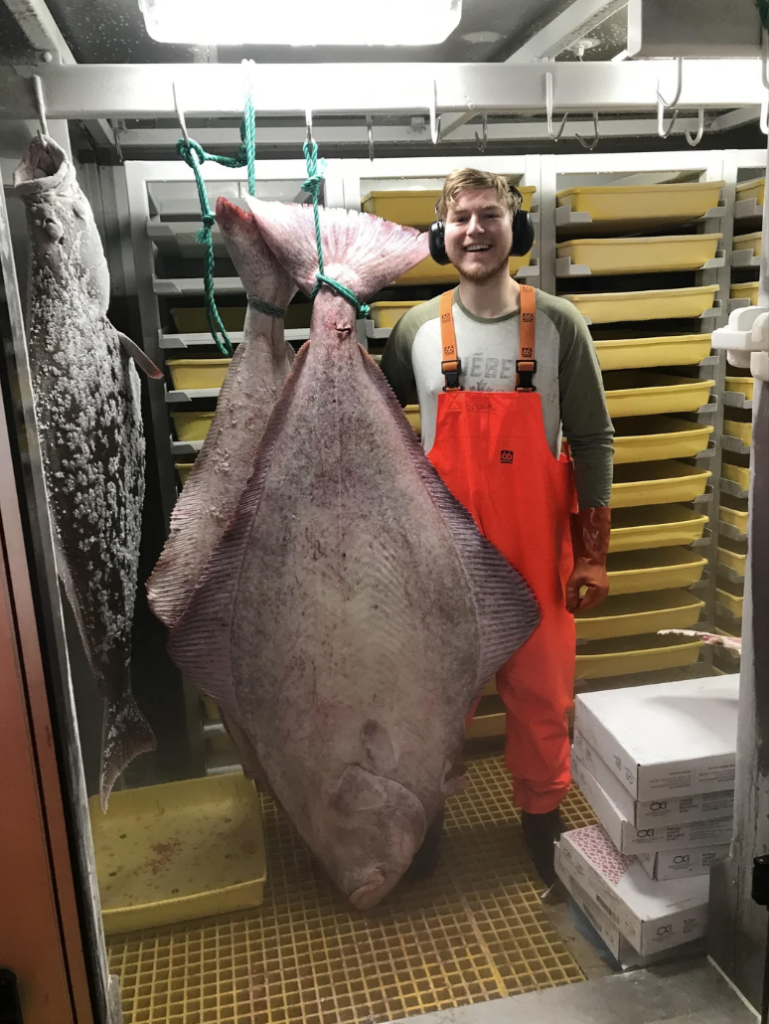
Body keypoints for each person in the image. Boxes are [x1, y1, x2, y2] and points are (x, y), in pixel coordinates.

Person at [381, 168, 614, 887]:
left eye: (489, 216)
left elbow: (593, 438)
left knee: (543, 700)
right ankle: (422, 826)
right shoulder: (416, 329)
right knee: (428, 703)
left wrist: (592, 556)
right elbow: (375, 436)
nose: (474, 230)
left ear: (518, 231)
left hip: (534, 557)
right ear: (439, 235)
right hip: (436, 558)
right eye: (459, 219)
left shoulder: (557, 324)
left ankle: (542, 822)